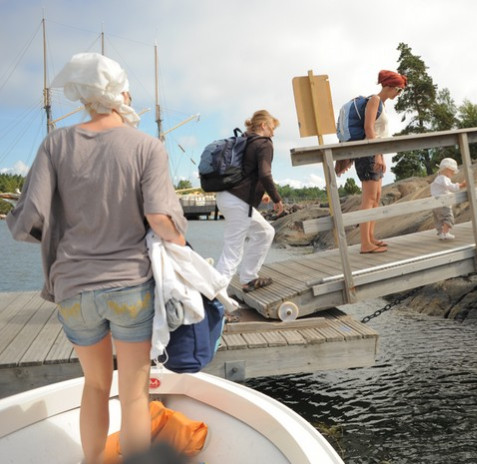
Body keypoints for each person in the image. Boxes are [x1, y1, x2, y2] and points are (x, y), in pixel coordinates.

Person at [6, 53, 186, 464]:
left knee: (95, 385)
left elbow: (29, 218)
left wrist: (57, 241)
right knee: (135, 392)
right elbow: (160, 218)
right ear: (123, 94)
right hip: (130, 286)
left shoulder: (55, 144)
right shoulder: (147, 146)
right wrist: (182, 246)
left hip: (73, 288)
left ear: (84, 97)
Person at [215, 110, 283, 293]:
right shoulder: (264, 143)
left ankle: (249, 278)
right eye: (272, 128)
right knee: (232, 252)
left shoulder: (242, 140)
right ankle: (215, 298)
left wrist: (261, 194)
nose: (273, 133)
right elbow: (265, 174)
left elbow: (246, 174)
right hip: (238, 202)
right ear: (263, 125)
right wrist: (276, 198)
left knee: (265, 232)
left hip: (226, 197)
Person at [354, 70, 408, 254]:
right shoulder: (374, 100)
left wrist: (381, 155)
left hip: (375, 154)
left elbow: (378, 133)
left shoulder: (382, 105)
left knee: (376, 198)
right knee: (368, 199)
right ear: (390, 86)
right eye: (399, 90)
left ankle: (370, 238)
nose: (399, 94)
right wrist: (377, 154)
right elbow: (369, 129)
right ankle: (365, 244)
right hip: (367, 154)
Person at [430, 157, 467, 240]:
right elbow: (451, 187)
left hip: (435, 204)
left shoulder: (437, 179)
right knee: (448, 217)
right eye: (452, 171)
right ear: (447, 169)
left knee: (438, 220)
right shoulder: (443, 178)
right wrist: (462, 185)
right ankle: (445, 233)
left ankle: (441, 233)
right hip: (443, 204)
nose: (453, 174)